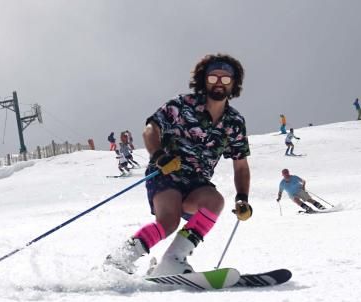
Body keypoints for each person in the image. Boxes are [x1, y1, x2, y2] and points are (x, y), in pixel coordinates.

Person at [104, 53, 251, 277]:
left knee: (214, 201)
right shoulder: (182, 104)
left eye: (225, 78)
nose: (219, 83)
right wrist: (160, 156)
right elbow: (151, 129)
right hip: (166, 173)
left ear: (234, 83)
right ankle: (120, 259)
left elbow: (241, 165)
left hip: (197, 183)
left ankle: (172, 261)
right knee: (169, 221)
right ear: (204, 81)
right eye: (213, 78)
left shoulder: (235, 122)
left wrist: (242, 198)